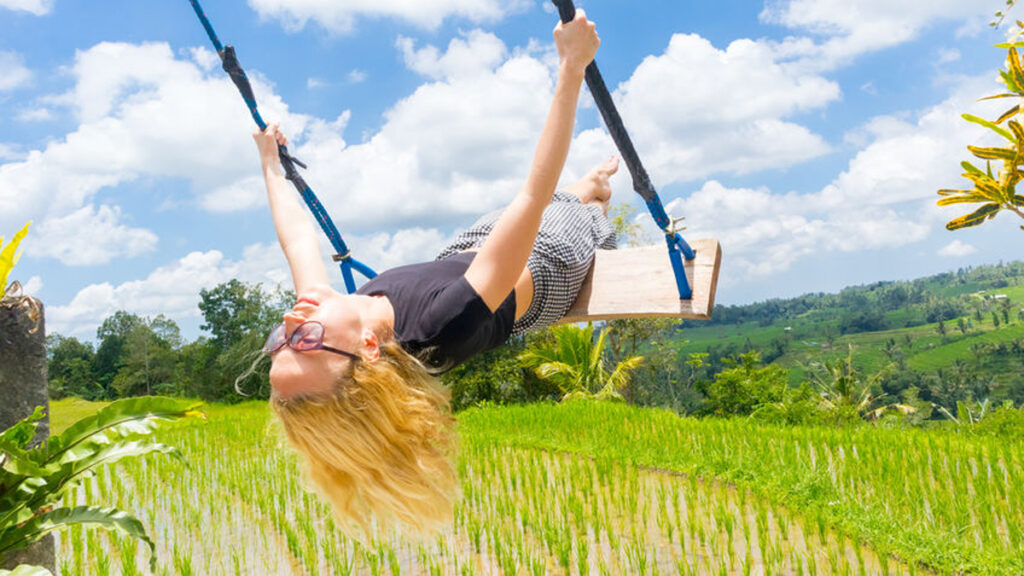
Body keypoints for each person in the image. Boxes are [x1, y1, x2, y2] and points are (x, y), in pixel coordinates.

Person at [257, 10, 615, 537]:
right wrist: (572, 67)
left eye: (280, 342)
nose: (291, 322)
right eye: (304, 341)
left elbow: (296, 237)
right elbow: (532, 199)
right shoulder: (443, 328)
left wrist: (270, 162)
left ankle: (593, 185)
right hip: (546, 260)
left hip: (467, 251)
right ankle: (599, 198)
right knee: (577, 209)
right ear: (370, 350)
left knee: (573, 194)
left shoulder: (328, 315)